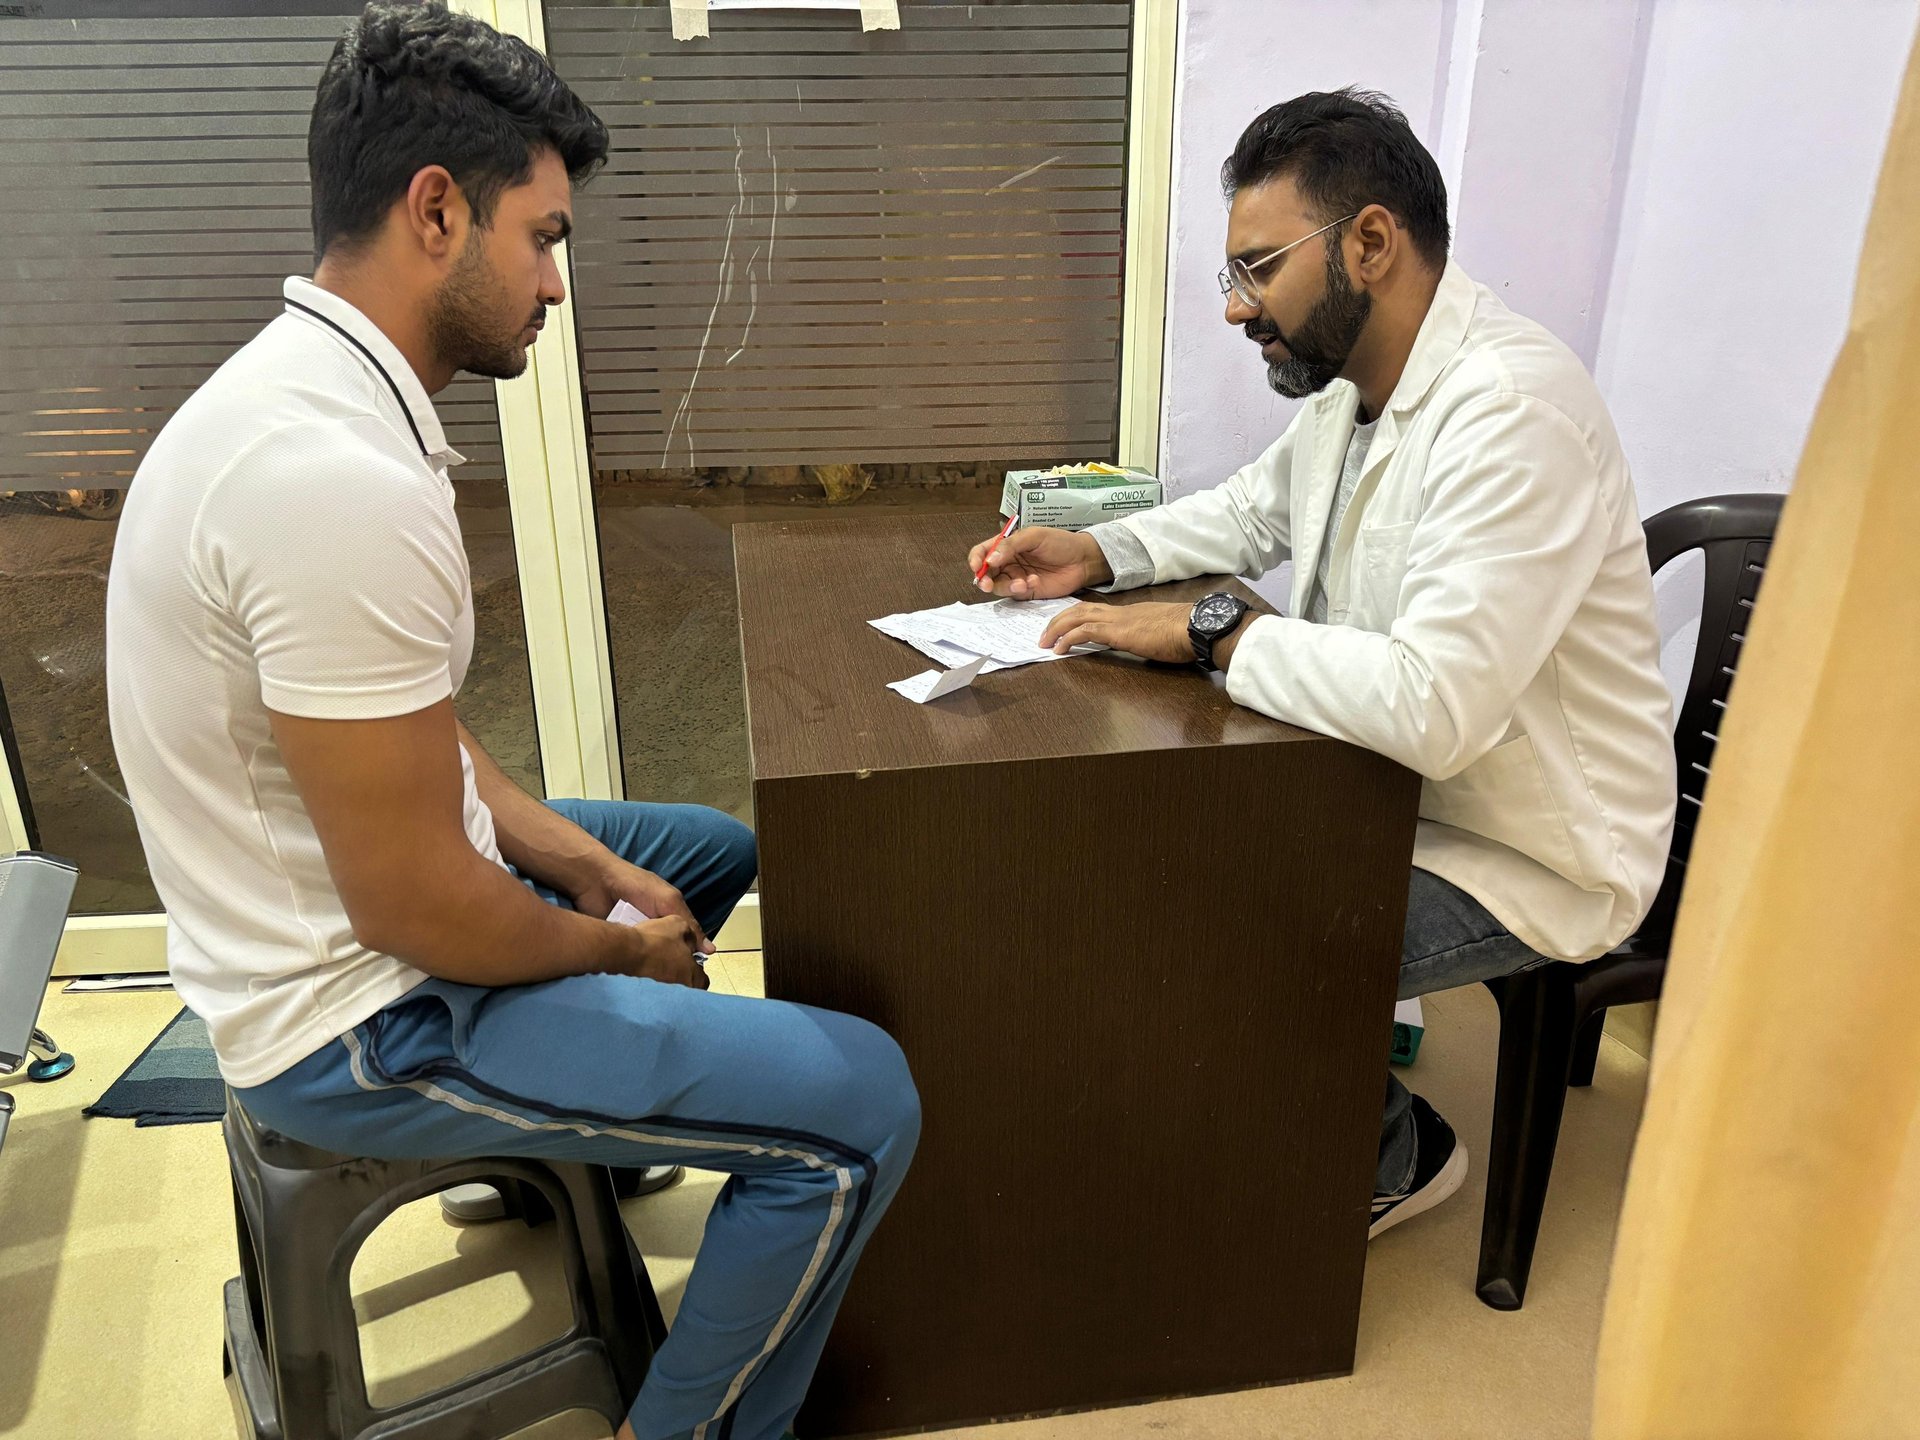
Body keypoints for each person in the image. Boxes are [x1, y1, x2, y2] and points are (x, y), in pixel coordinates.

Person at [104, 6, 918, 1437]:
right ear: (436, 212)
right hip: (352, 1018)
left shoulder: (307, 399)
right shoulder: (329, 480)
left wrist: (590, 866)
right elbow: (419, 900)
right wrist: (618, 951)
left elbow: (401, 733)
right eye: (540, 238)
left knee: (702, 849)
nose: (555, 282)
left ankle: (557, 1144)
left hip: (342, 912)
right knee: (863, 1107)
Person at [970, 88, 1675, 1238]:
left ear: (1371, 243)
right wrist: (1096, 551)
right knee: (1162, 864)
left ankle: (1398, 1150)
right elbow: (1249, 516)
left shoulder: (1511, 418)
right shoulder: (1359, 395)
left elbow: (1436, 710)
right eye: (1233, 277)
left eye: (1260, 270)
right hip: (1388, 784)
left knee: (1232, 927)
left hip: (1531, 847)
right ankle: (1246, 1110)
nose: (1242, 309)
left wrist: (1215, 634)